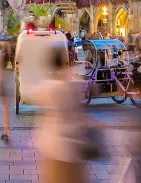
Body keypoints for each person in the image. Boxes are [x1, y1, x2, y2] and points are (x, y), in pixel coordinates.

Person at [36, 47, 89, 183]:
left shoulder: (46, 87)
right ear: (64, 62)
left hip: (54, 149)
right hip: (75, 148)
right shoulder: (73, 84)